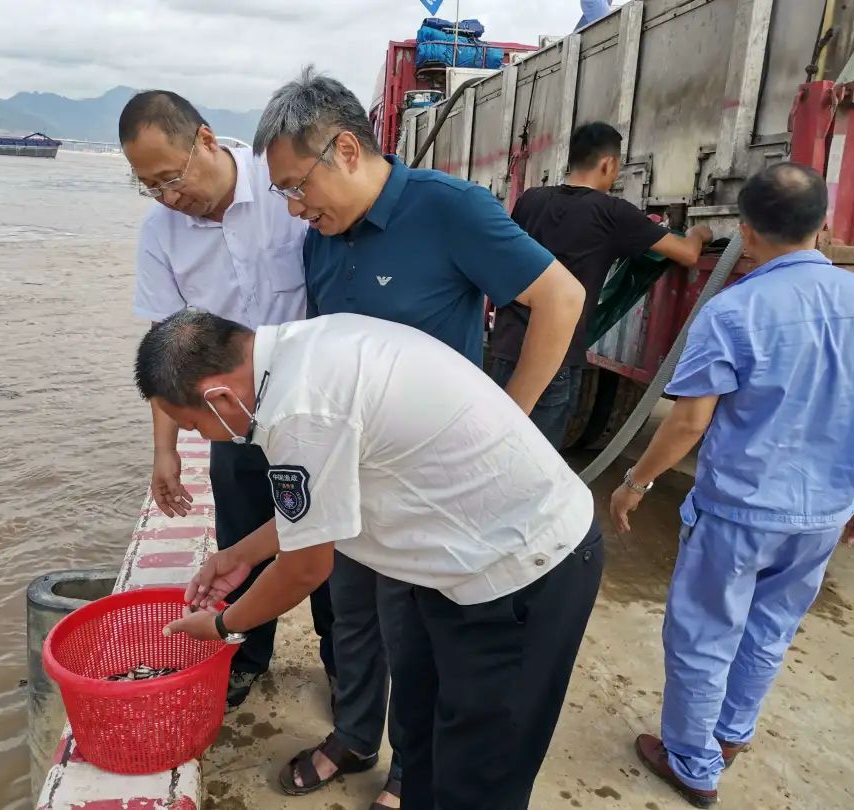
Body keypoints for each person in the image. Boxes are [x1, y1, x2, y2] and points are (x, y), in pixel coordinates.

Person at [252, 66, 586, 807]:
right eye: (283, 194)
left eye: (296, 186)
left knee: (419, 635)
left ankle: (410, 769)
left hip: (428, 488)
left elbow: (560, 297)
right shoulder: (322, 238)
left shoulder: (448, 208)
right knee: (351, 616)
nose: (295, 207)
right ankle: (355, 734)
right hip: (353, 476)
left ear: (343, 149)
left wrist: (511, 421)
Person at [140, 308, 604, 810]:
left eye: (191, 425)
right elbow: (329, 496)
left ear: (218, 396)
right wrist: (240, 554)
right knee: (422, 730)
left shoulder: (298, 412)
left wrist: (224, 625)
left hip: (523, 568)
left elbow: (305, 569)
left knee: (481, 773)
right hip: (449, 563)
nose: (198, 438)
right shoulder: (302, 347)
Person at [609, 163, 854, 807]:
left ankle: (693, 763)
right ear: (824, 225)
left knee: (703, 632)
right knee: (772, 626)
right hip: (822, 514)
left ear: (746, 233)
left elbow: (689, 421)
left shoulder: (734, 309)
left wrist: (636, 482)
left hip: (741, 511)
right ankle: (730, 731)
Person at [119, 90, 334, 708]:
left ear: (206, 140)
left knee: (326, 535)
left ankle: (341, 658)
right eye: (148, 185)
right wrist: (164, 453)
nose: (166, 195)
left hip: (312, 409)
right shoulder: (161, 233)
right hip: (230, 420)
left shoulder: (283, 188)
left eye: (171, 176)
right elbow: (164, 350)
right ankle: (246, 654)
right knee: (242, 539)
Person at [491, 121, 713, 447]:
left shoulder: (530, 201)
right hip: (556, 360)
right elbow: (687, 254)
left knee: (497, 448)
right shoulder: (612, 213)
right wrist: (699, 234)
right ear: (608, 163)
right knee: (536, 464)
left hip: (507, 350)